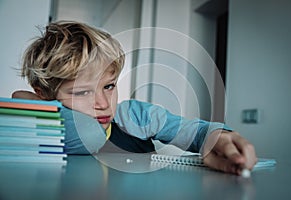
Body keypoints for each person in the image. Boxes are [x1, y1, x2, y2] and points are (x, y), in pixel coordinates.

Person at [12, 21, 257, 175]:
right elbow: (87, 135)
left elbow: (195, 131)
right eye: (83, 92)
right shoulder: (42, 128)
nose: (103, 103)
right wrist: (44, 104)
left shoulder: (133, 116)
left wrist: (218, 138)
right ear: (43, 94)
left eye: (109, 86)